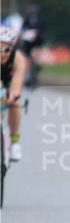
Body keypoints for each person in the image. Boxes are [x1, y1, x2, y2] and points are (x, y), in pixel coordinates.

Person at [0, 24, 28, 161]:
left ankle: (15, 142)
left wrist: (12, 96)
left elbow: (17, 84)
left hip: (8, 82)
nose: (3, 53)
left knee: (15, 102)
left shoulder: (19, 59)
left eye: (7, 49)